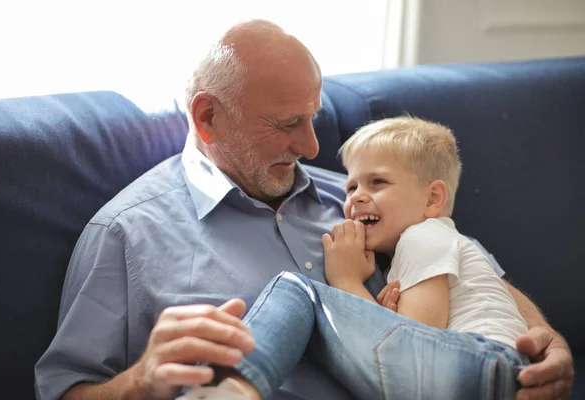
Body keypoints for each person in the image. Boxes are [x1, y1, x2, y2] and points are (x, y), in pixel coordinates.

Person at [34, 19, 573, 400]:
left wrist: (543, 339)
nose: (312, 146)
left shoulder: (360, 197)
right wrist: (142, 383)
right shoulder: (127, 233)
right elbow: (64, 389)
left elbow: (463, 263)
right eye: (287, 123)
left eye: (312, 117)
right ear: (208, 118)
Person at [188, 116, 533, 400]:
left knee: (296, 291)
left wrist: (347, 280)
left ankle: (228, 389)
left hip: (486, 363)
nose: (356, 199)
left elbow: (413, 335)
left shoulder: (425, 237)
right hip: (486, 372)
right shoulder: (426, 246)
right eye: (351, 188)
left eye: (377, 182)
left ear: (432, 199)